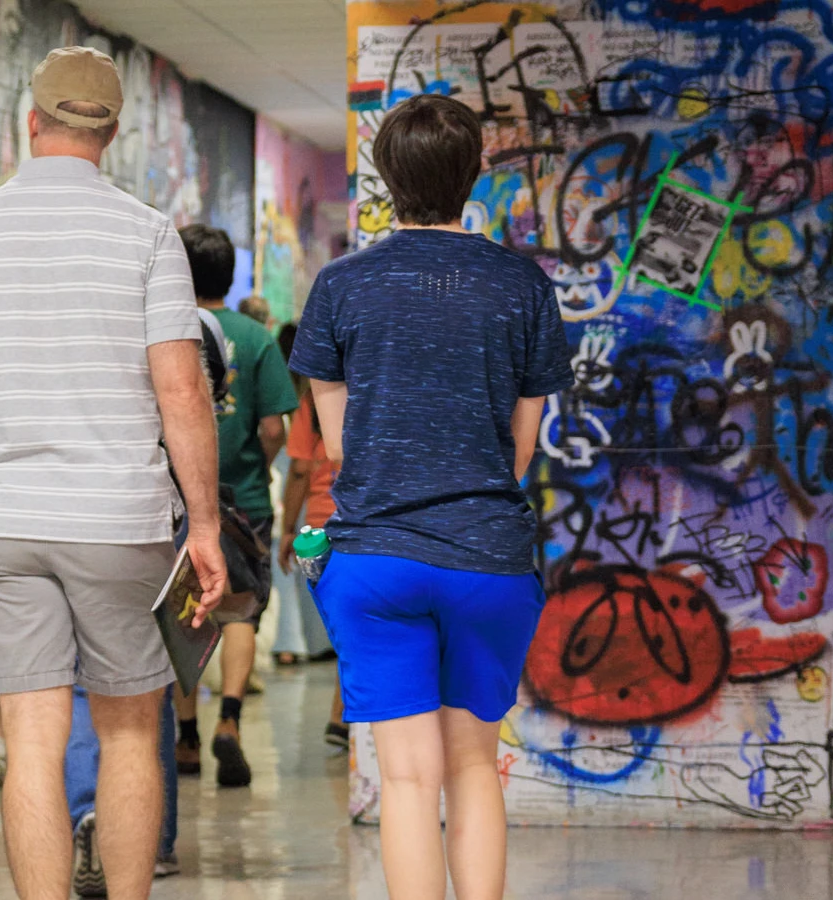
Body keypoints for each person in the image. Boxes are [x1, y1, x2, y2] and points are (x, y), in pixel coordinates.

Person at [0, 46, 227, 900]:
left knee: (33, 744)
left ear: (31, 122)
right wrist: (202, 523)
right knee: (129, 736)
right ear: (113, 131)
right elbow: (181, 389)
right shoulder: (147, 233)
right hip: (118, 522)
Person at [289, 93, 568, 900]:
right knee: (475, 767)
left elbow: (339, 447)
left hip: (376, 561)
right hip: (488, 556)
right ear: (474, 172)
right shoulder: (521, 285)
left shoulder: (340, 287)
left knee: (408, 783)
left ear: (386, 177)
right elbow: (520, 450)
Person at [173, 224, 299, 789]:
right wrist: (251, 458)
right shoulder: (256, 338)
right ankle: (229, 720)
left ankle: (186, 738)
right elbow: (274, 425)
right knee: (241, 610)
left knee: (184, 612)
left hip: (175, 500)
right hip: (243, 499)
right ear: (229, 275)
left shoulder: (169, 331)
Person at [277, 321, 350, 747]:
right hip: (363, 523)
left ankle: (341, 715)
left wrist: (288, 530)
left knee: (342, 622)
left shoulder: (313, 399)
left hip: (320, 529)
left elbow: (301, 469)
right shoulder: (370, 389)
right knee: (358, 623)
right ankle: (344, 713)